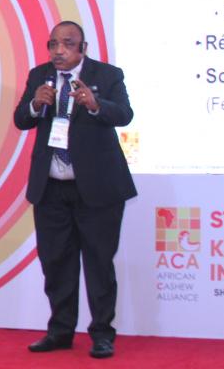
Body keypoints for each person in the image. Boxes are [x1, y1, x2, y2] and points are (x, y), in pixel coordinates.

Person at [13, 20, 136, 360]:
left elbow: (124, 114)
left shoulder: (108, 75)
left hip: (97, 189)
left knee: (98, 264)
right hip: (51, 189)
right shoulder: (40, 76)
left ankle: (102, 334)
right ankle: (60, 331)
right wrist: (35, 104)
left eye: (67, 44)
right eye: (53, 44)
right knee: (55, 263)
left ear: (83, 48)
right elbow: (21, 119)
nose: (59, 50)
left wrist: (96, 104)